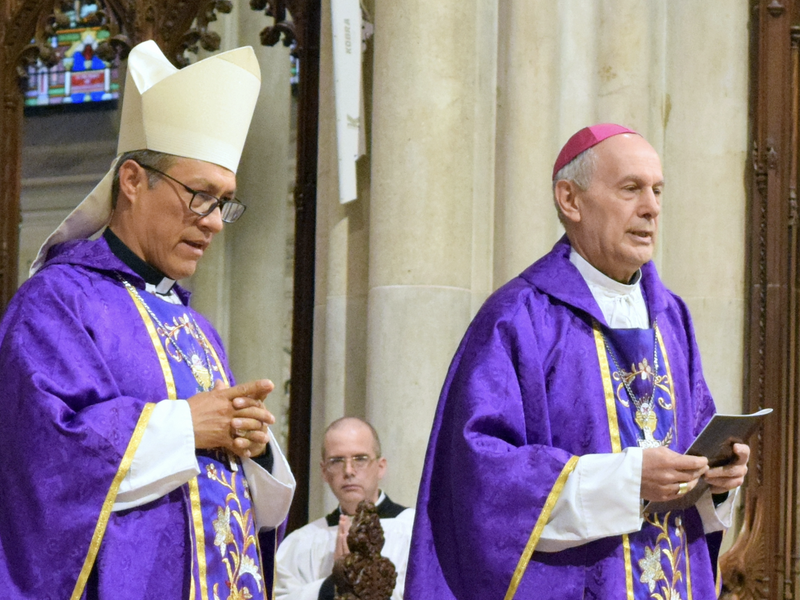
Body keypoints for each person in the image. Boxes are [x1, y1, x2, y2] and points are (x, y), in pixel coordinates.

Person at [0, 41, 296, 599]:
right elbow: (40, 463)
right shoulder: (55, 303)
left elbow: (226, 508)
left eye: (225, 202)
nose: (215, 224)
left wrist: (253, 447)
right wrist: (189, 426)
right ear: (133, 180)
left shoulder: (198, 329)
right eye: (200, 196)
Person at [405, 124, 750, 599]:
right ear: (570, 199)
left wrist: (715, 480)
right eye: (631, 189)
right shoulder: (519, 318)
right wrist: (627, 480)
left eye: (657, 190)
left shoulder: (671, 317)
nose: (651, 207)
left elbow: (690, 447)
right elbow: (481, 484)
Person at [275, 417, 414, 600]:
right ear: (324, 471)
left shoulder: (415, 530)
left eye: (360, 459)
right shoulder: (300, 543)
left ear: (381, 467)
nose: (349, 470)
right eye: (337, 461)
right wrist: (331, 584)